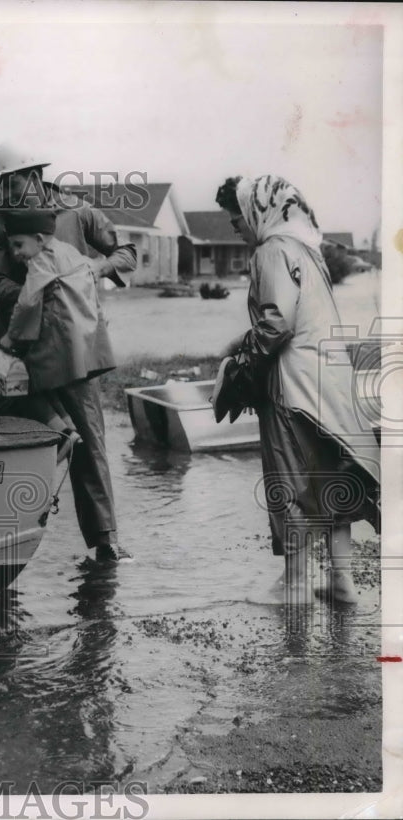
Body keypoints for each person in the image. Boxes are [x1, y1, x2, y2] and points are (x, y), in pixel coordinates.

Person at [214, 174, 380, 603]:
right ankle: (341, 581)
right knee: (333, 474)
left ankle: (295, 584)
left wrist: (242, 367)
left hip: (292, 383)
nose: (235, 226)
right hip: (330, 377)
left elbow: (277, 321)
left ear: (257, 210)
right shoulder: (308, 249)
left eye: (237, 217)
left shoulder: (270, 250)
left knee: (288, 480)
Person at [0, 142, 136, 559]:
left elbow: (125, 253)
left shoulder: (76, 211)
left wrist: (88, 271)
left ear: (33, 175)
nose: (7, 192)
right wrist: (41, 291)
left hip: (73, 347)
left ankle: (105, 542)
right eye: (1, 184)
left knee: (90, 441)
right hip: (17, 347)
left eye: (12, 182)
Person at [0, 207, 107, 463]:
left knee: (16, 386)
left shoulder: (42, 260)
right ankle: (69, 430)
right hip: (81, 340)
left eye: (18, 245)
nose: (15, 254)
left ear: (38, 239)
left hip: (57, 342)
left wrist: (11, 337)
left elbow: (27, 302)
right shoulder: (71, 253)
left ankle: (62, 435)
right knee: (48, 389)